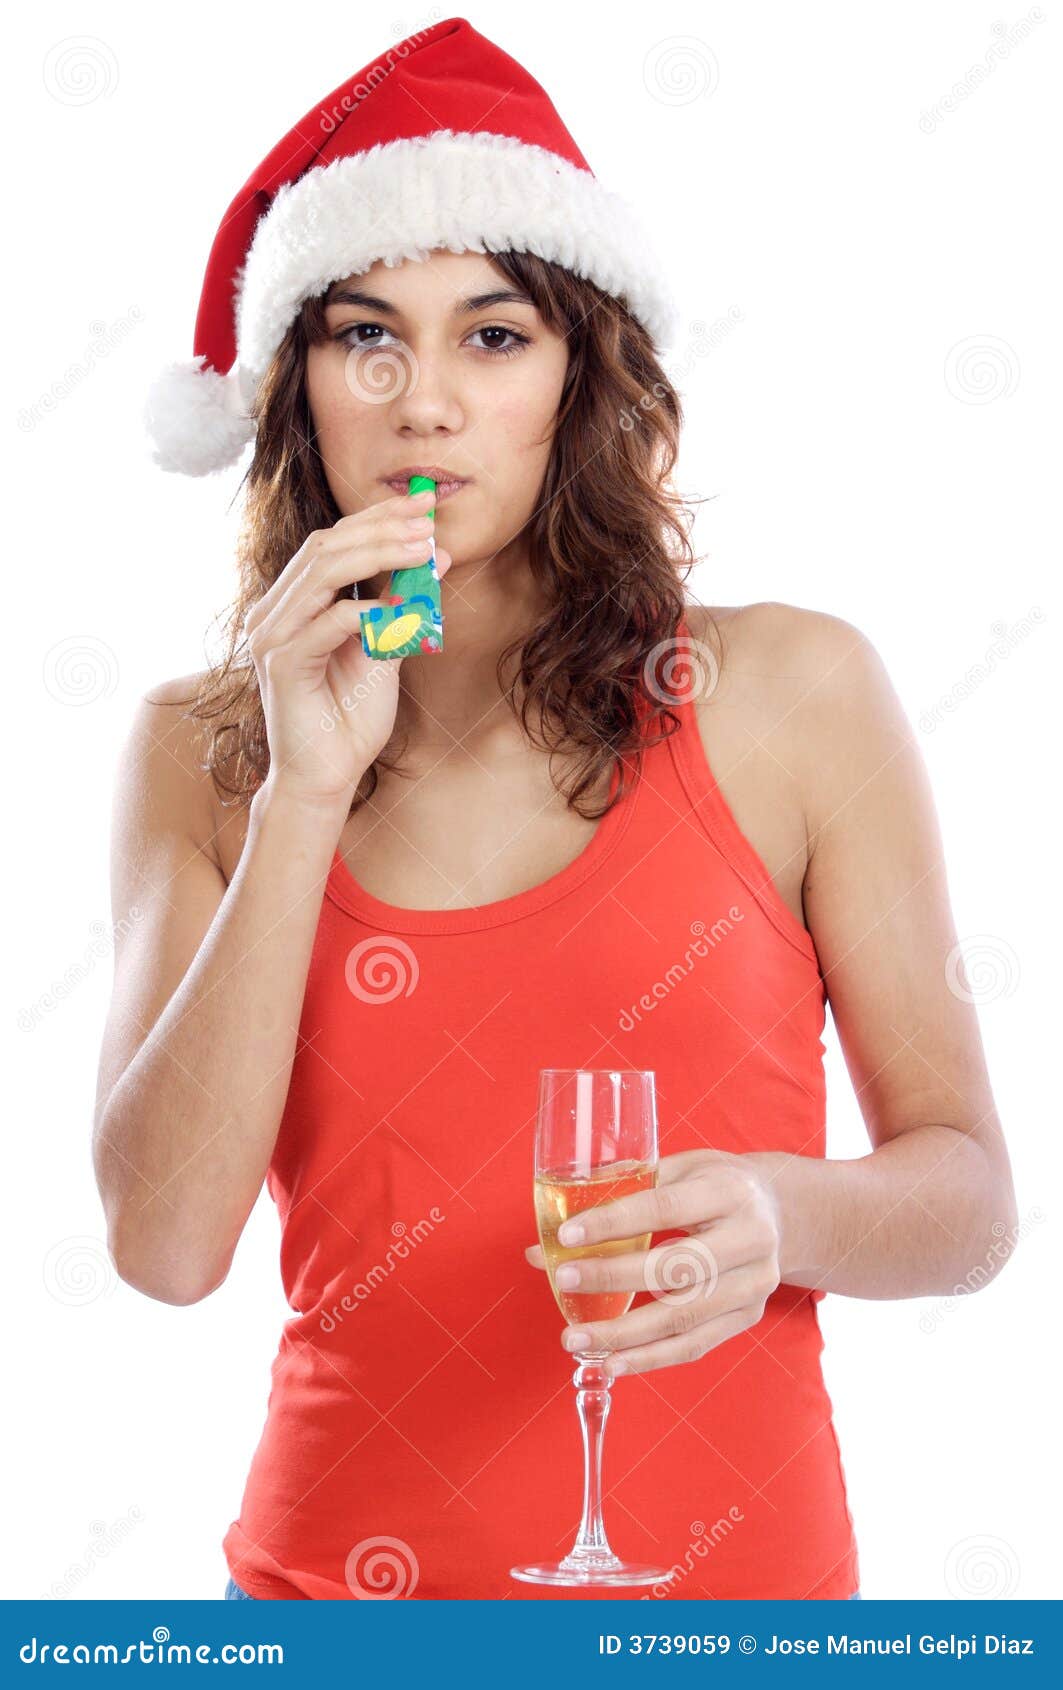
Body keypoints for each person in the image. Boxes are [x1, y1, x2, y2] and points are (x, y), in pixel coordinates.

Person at [92, 19, 1016, 1602]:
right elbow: (167, 1249)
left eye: (496, 337)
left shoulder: (789, 693)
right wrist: (307, 791)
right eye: (365, 335)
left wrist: (782, 1211)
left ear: (581, 369)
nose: (426, 403)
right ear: (294, 384)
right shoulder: (204, 750)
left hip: (732, 1617)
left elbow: (972, 1198)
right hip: (335, 1613)